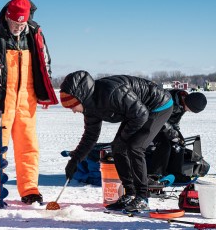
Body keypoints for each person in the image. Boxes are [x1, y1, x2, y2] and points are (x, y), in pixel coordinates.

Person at [0, 0, 58, 206]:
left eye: (22, 23)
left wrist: (43, 91)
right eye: (15, 23)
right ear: (8, 18)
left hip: (27, 100)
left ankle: (30, 190)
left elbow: (45, 64)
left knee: (28, 146)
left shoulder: (35, 33)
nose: (19, 27)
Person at [60, 70, 173, 212]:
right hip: (136, 111)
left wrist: (124, 138)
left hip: (158, 106)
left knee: (135, 147)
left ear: (82, 96)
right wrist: (74, 160)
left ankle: (142, 198)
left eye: (72, 104)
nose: (73, 110)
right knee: (117, 147)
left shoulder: (113, 93)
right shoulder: (90, 107)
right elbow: (90, 136)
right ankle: (130, 194)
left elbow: (141, 115)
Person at [147, 90, 207, 183]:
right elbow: (157, 117)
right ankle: (155, 174)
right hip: (150, 125)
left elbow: (174, 121)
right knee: (164, 145)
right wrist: (171, 132)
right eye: (191, 109)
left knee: (180, 144)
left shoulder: (182, 103)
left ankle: (176, 173)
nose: (189, 111)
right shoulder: (168, 100)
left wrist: (176, 132)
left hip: (164, 127)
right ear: (189, 103)